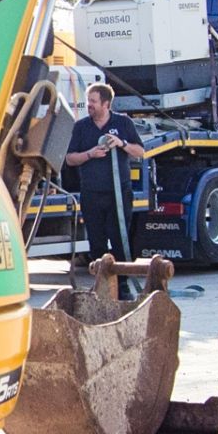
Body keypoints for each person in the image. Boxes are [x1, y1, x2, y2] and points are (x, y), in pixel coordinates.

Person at [63, 82, 143, 294]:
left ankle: (123, 286)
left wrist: (121, 143)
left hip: (118, 195)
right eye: (88, 101)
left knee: (119, 239)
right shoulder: (81, 127)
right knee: (96, 242)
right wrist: (90, 154)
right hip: (92, 194)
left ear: (106, 104)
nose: (88, 105)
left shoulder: (123, 123)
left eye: (93, 101)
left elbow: (139, 151)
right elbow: (70, 159)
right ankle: (102, 286)